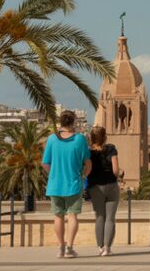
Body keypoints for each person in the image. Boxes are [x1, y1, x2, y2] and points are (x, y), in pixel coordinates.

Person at [41, 109, 91, 259]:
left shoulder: (51, 139)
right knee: (73, 215)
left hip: (55, 184)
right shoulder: (80, 140)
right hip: (73, 183)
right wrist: (83, 175)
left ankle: (61, 247)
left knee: (58, 216)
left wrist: (53, 174)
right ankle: (70, 247)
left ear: (60, 122)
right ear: (74, 121)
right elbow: (88, 163)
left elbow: (45, 163)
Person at [86, 125, 122, 256]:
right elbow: (116, 170)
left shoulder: (89, 152)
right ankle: (107, 248)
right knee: (110, 218)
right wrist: (117, 175)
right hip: (111, 186)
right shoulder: (111, 149)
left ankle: (100, 247)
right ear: (105, 137)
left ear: (91, 138)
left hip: (96, 187)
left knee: (99, 217)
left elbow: (87, 170)